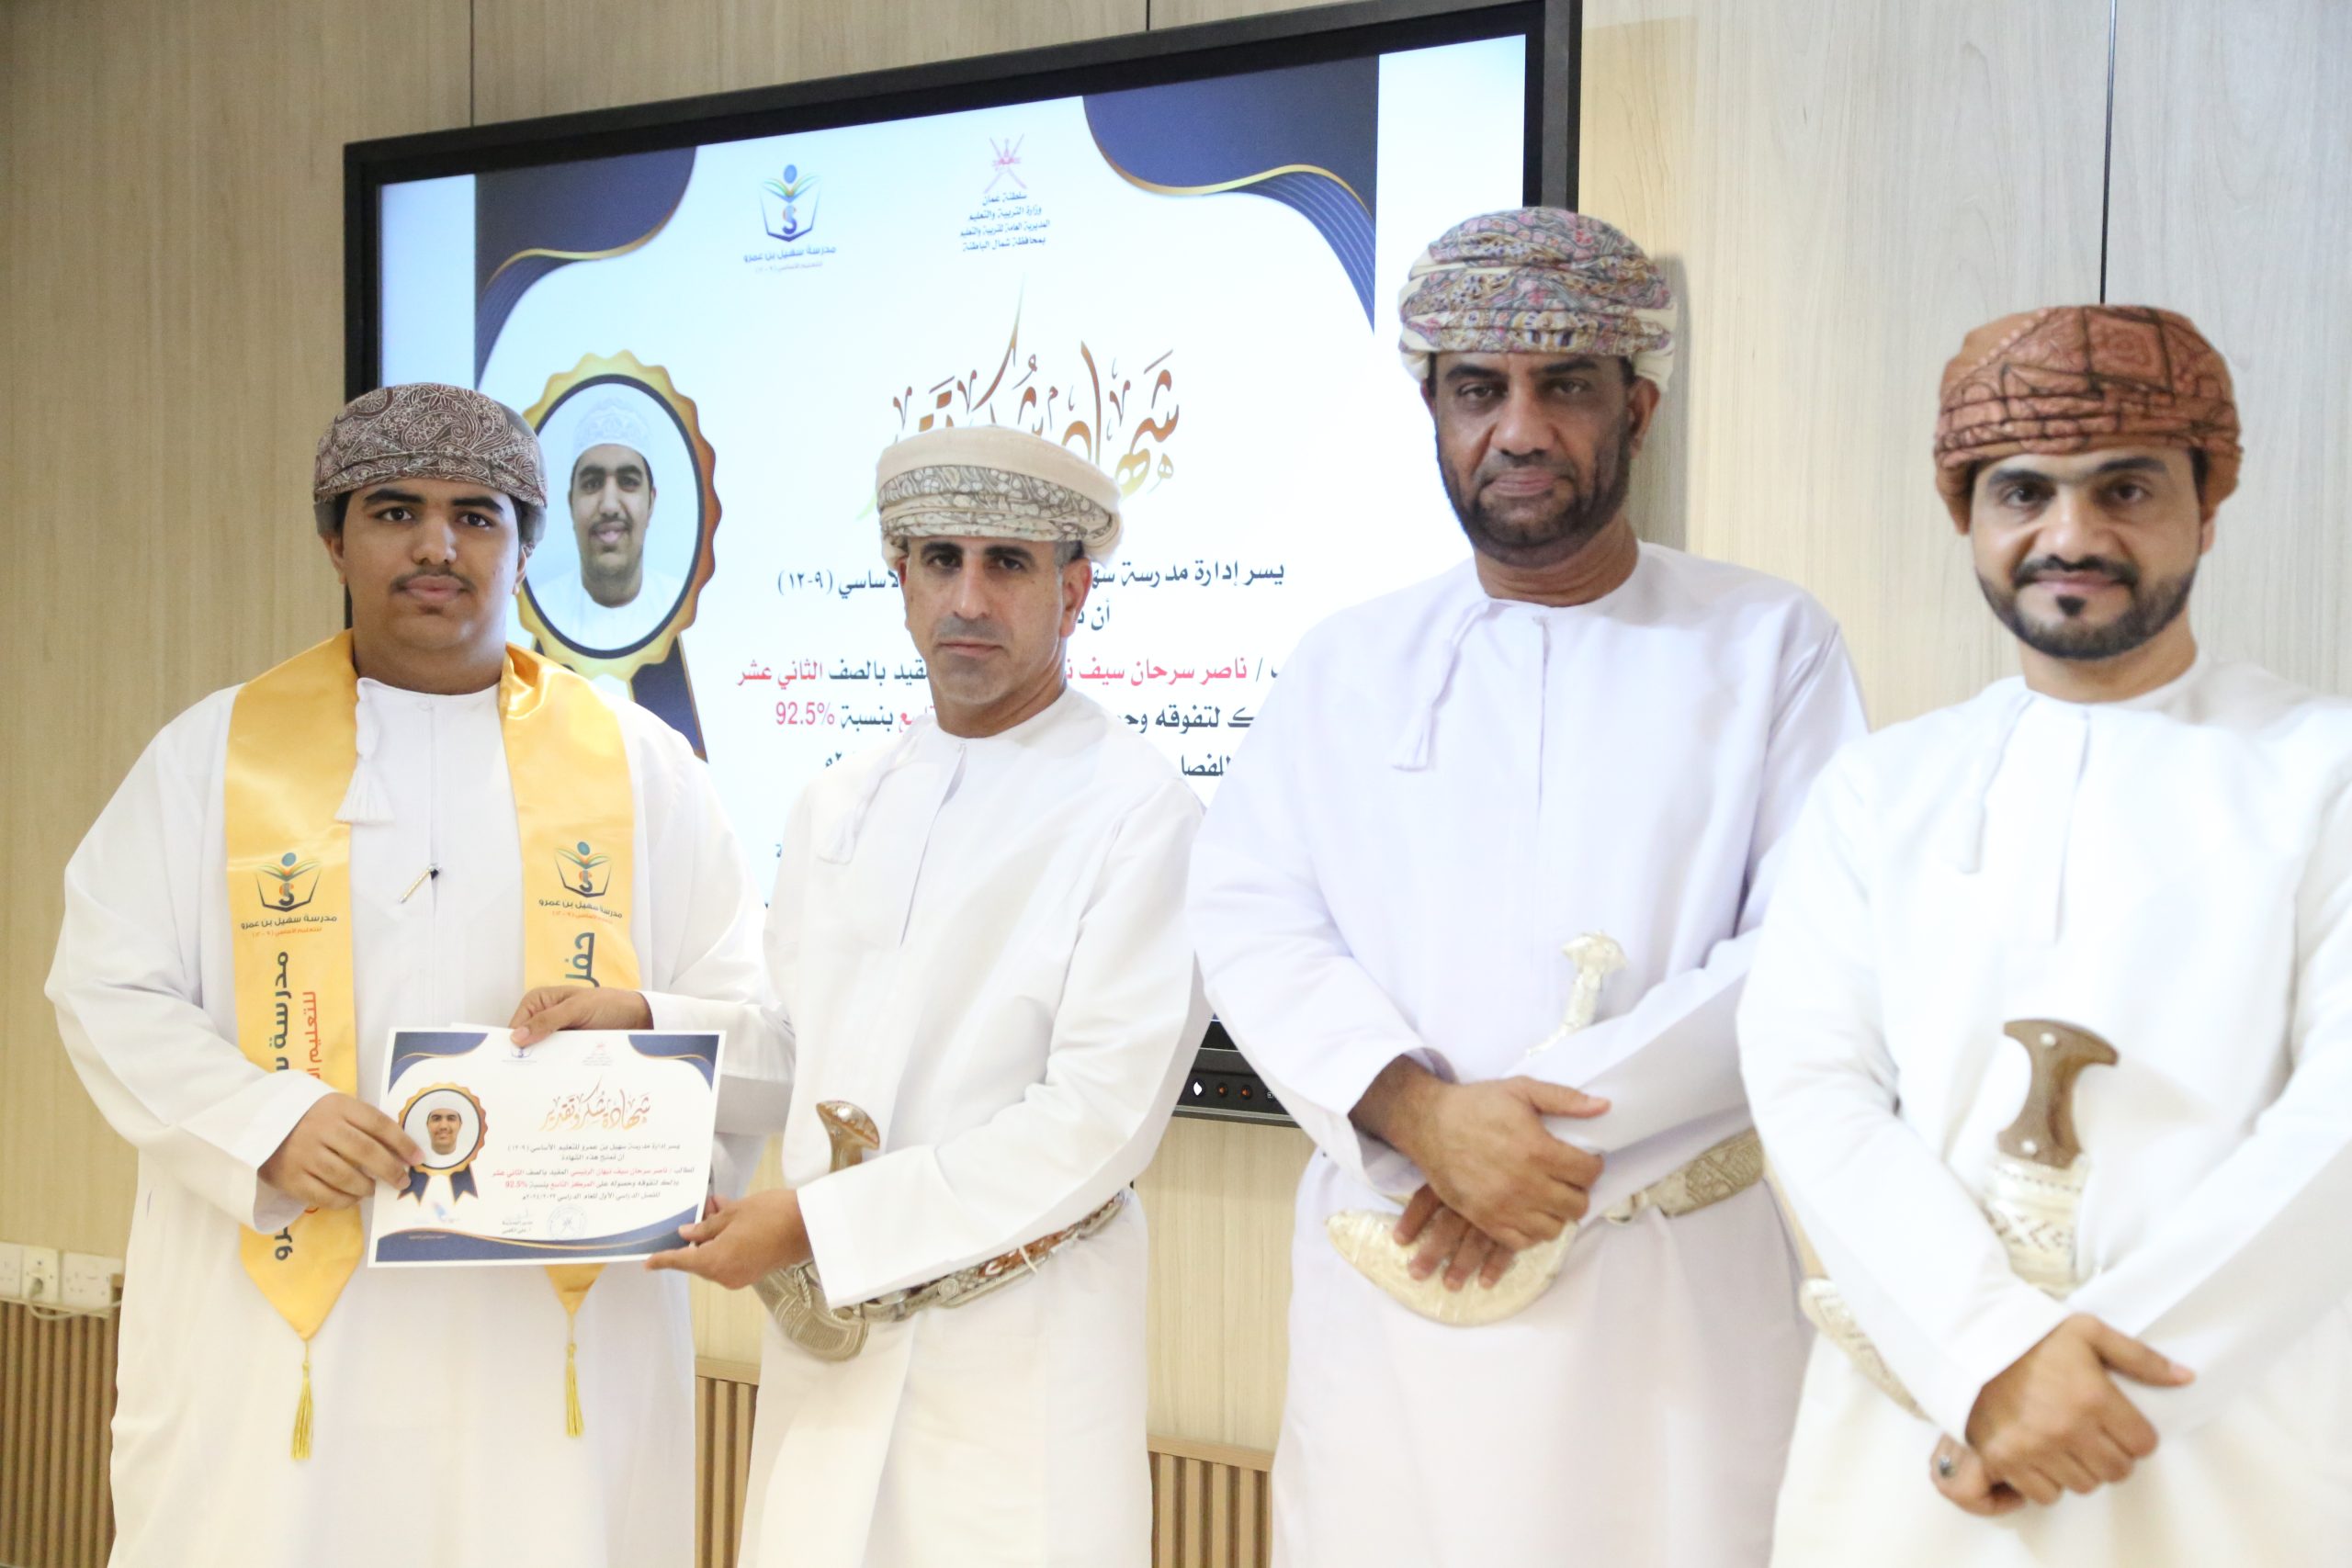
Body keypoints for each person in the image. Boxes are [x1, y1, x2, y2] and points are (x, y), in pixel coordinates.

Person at [1186, 209, 1867, 1567]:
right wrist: (1424, 1117)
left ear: (1637, 408)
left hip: (1665, 1306)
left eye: (1565, 386)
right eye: (1477, 390)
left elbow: (1809, 939)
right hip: (1399, 1288)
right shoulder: (1345, 663)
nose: (1519, 430)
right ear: (1433, 412)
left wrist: (1520, 1144)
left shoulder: (1769, 641)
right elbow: (1252, 916)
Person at [48, 382, 769, 1568]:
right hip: (281, 1350)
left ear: (524, 549)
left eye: (476, 515)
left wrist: (642, 1021)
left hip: (543, 1355)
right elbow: (104, 985)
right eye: (396, 511)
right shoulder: (210, 759)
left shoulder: (646, 770)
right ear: (334, 540)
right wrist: (265, 1122)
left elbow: (754, 1018)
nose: (438, 545)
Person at [1740, 305, 2352, 1565]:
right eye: (2022, 492)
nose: (2071, 536)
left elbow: (2335, 1130)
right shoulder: (1881, 789)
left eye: (2125, 488)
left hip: (2223, 1436)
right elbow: (1809, 1085)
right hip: (1923, 1430)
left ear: (2208, 505)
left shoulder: (2322, 771)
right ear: (1967, 515)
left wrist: (2074, 1386)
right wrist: (1986, 1357)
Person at [623, 423, 1208, 1567]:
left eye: (1008, 564)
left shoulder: (1143, 815)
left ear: (1074, 590)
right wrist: (645, 1029)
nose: (968, 599)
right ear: (900, 580)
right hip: (831, 1360)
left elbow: (1096, 1123)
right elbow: (804, 1052)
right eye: (940, 560)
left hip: (1014, 1358)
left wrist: (816, 1225)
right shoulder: (842, 800)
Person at [533, 392, 684, 649]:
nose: (609, 506)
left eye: (628, 482)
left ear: (651, 502)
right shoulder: (542, 609)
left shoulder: (683, 610)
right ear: (571, 503)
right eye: (592, 484)